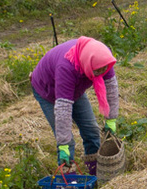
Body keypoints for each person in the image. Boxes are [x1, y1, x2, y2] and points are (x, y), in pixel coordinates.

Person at [31, 37, 120, 176]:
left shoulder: (103, 59)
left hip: (75, 89)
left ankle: (95, 172)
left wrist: (111, 118)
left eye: (103, 70)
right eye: (97, 71)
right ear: (87, 64)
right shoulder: (66, 67)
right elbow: (63, 109)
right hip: (48, 90)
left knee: (91, 130)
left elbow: (111, 88)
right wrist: (64, 143)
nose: (100, 74)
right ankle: (69, 183)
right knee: (68, 142)